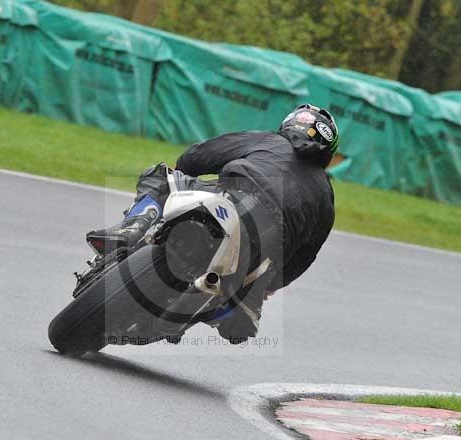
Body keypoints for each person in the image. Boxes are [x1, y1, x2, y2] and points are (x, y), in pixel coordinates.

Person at [86, 103, 338, 343]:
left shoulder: (268, 140)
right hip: (266, 246)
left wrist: (181, 171)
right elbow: (304, 258)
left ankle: (135, 225)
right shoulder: (326, 196)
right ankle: (241, 303)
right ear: (327, 151)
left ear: (288, 125)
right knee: (252, 291)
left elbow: (199, 156)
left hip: (230, 197)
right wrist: (270, 286)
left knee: (160, 176)